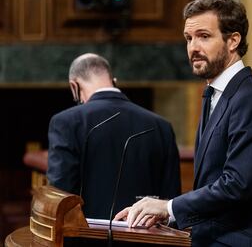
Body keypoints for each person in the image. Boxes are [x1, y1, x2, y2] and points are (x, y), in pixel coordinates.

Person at [114, 0, 252, 246]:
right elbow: (211, 182)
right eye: (189, 38)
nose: (193, 47)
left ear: (233, 41)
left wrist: (169, 208)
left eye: (204, 36)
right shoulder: (214, 94)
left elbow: (236, 186)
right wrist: (164, 216)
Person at [47, 53, 181, 219]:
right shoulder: (162, 126)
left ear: (74, 86)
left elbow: (60, 194)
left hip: (87, 237)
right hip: (148, 237)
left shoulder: (66, 122)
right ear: (114, 81)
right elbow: (170, 198)